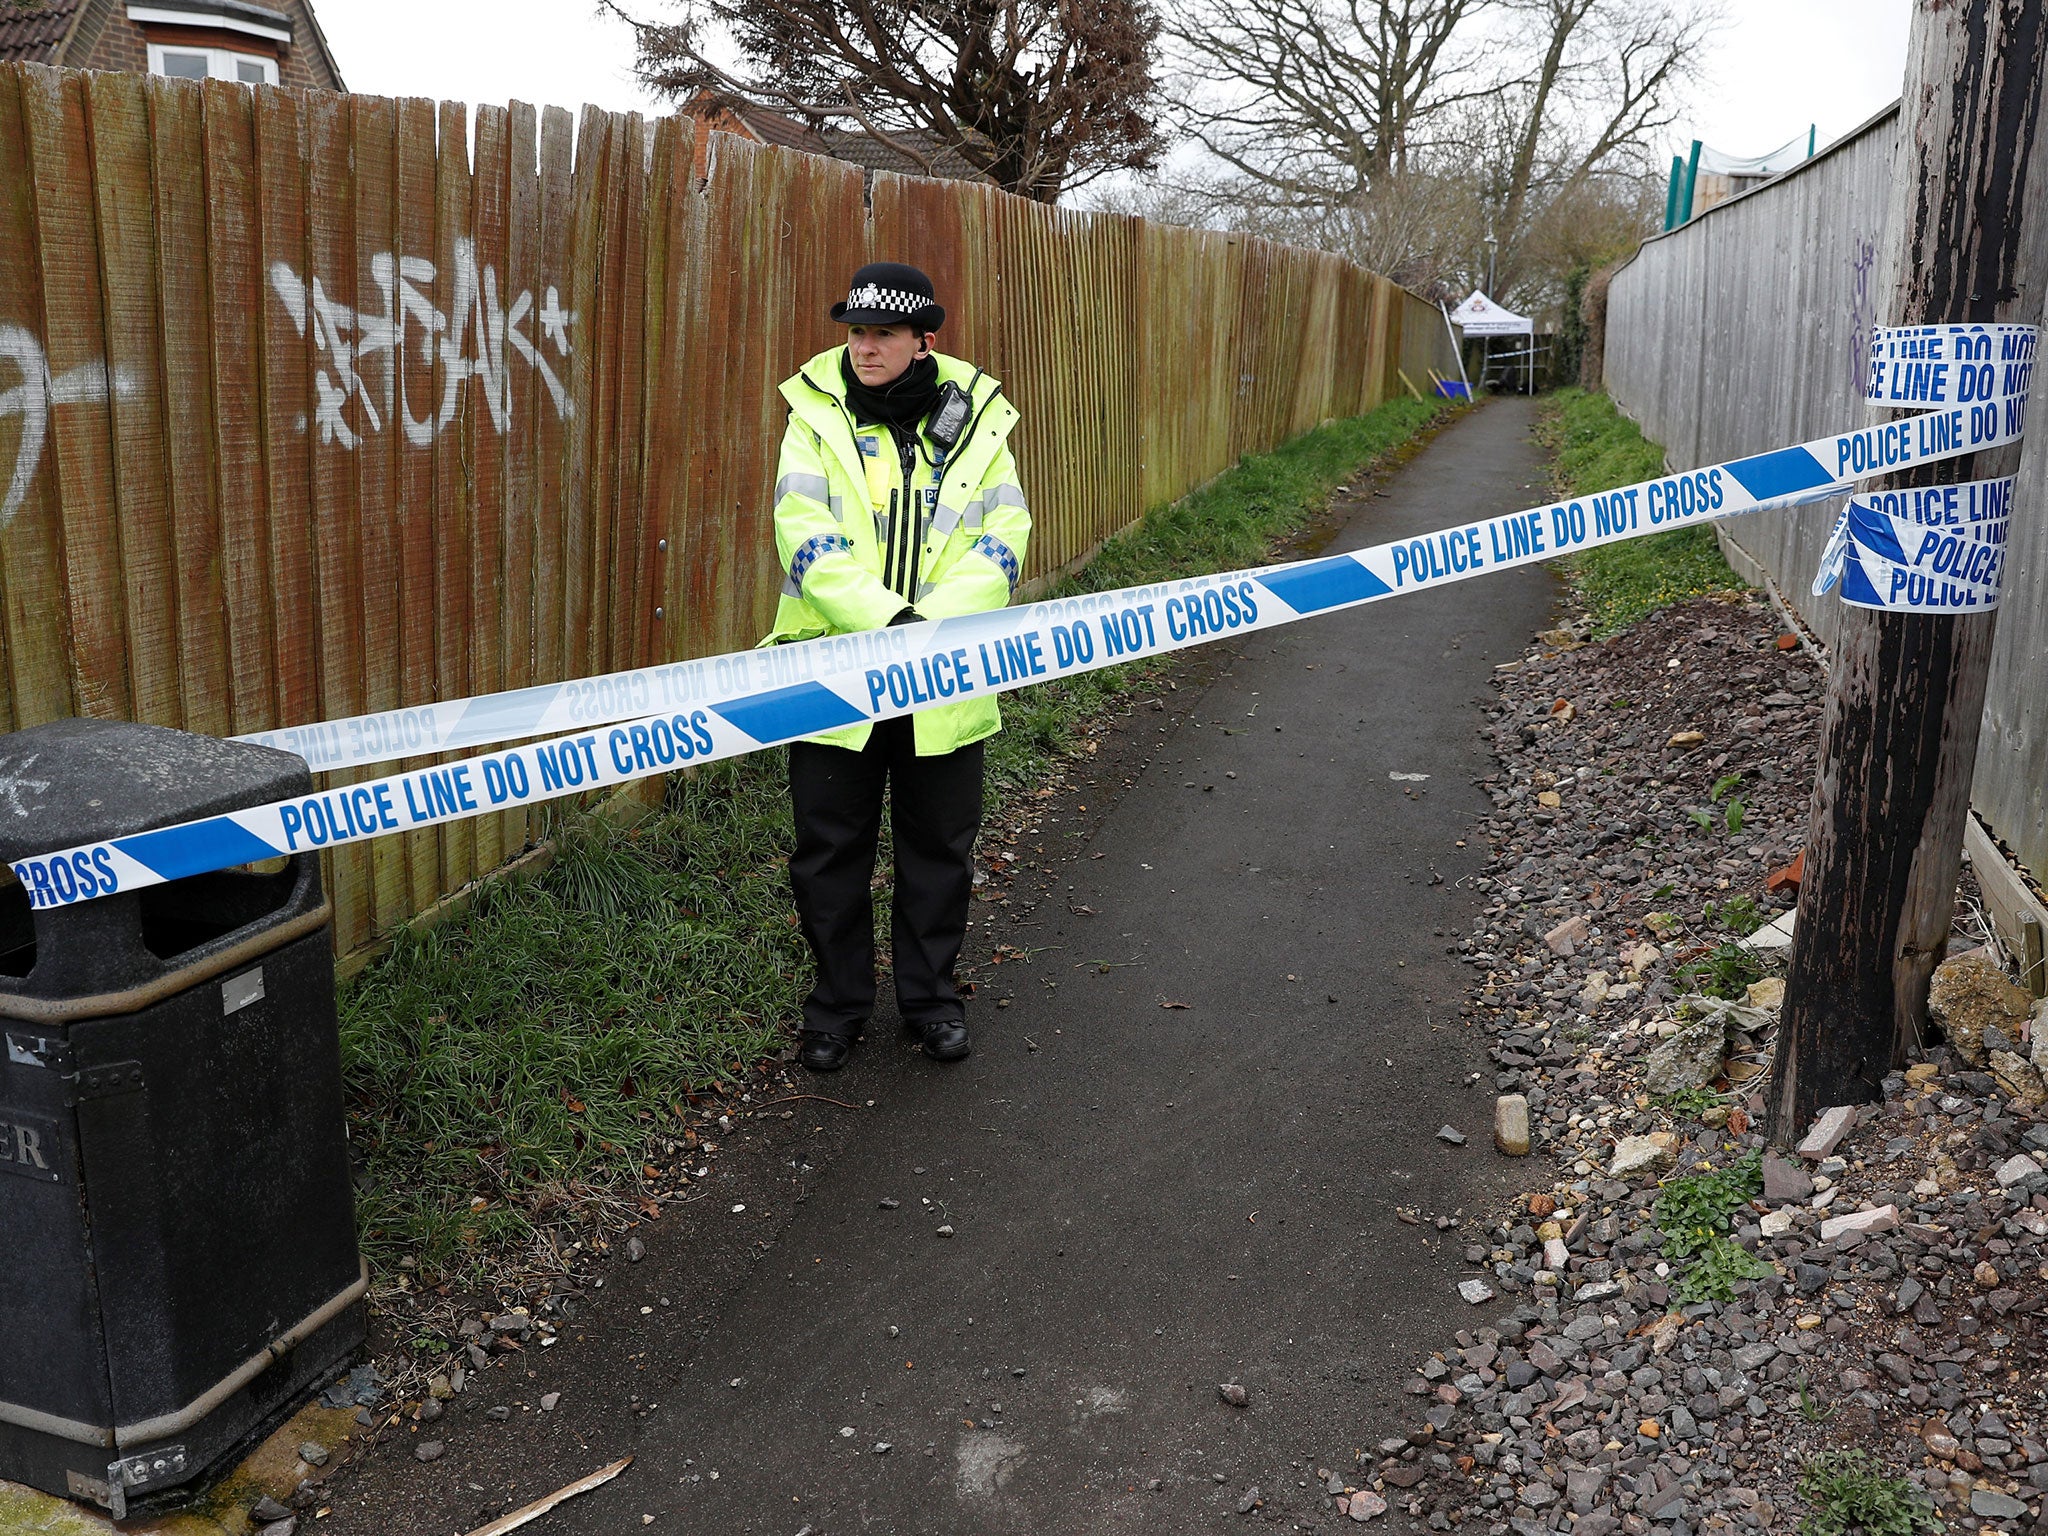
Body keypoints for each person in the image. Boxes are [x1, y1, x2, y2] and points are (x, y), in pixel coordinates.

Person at [762, 262, 1030, 1073]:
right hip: (840, 672)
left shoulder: (978, 422)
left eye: (882, 334)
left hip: (943, 676)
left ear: (925, 342)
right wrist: (891, 625)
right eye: (855, 331)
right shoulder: (814, 414)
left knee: (938, 850)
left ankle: (931, 1001)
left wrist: (931, 633)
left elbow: (1002, 539)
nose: (864, 347)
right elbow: (804, 537)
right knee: (827, 853)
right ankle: (836, 1009)